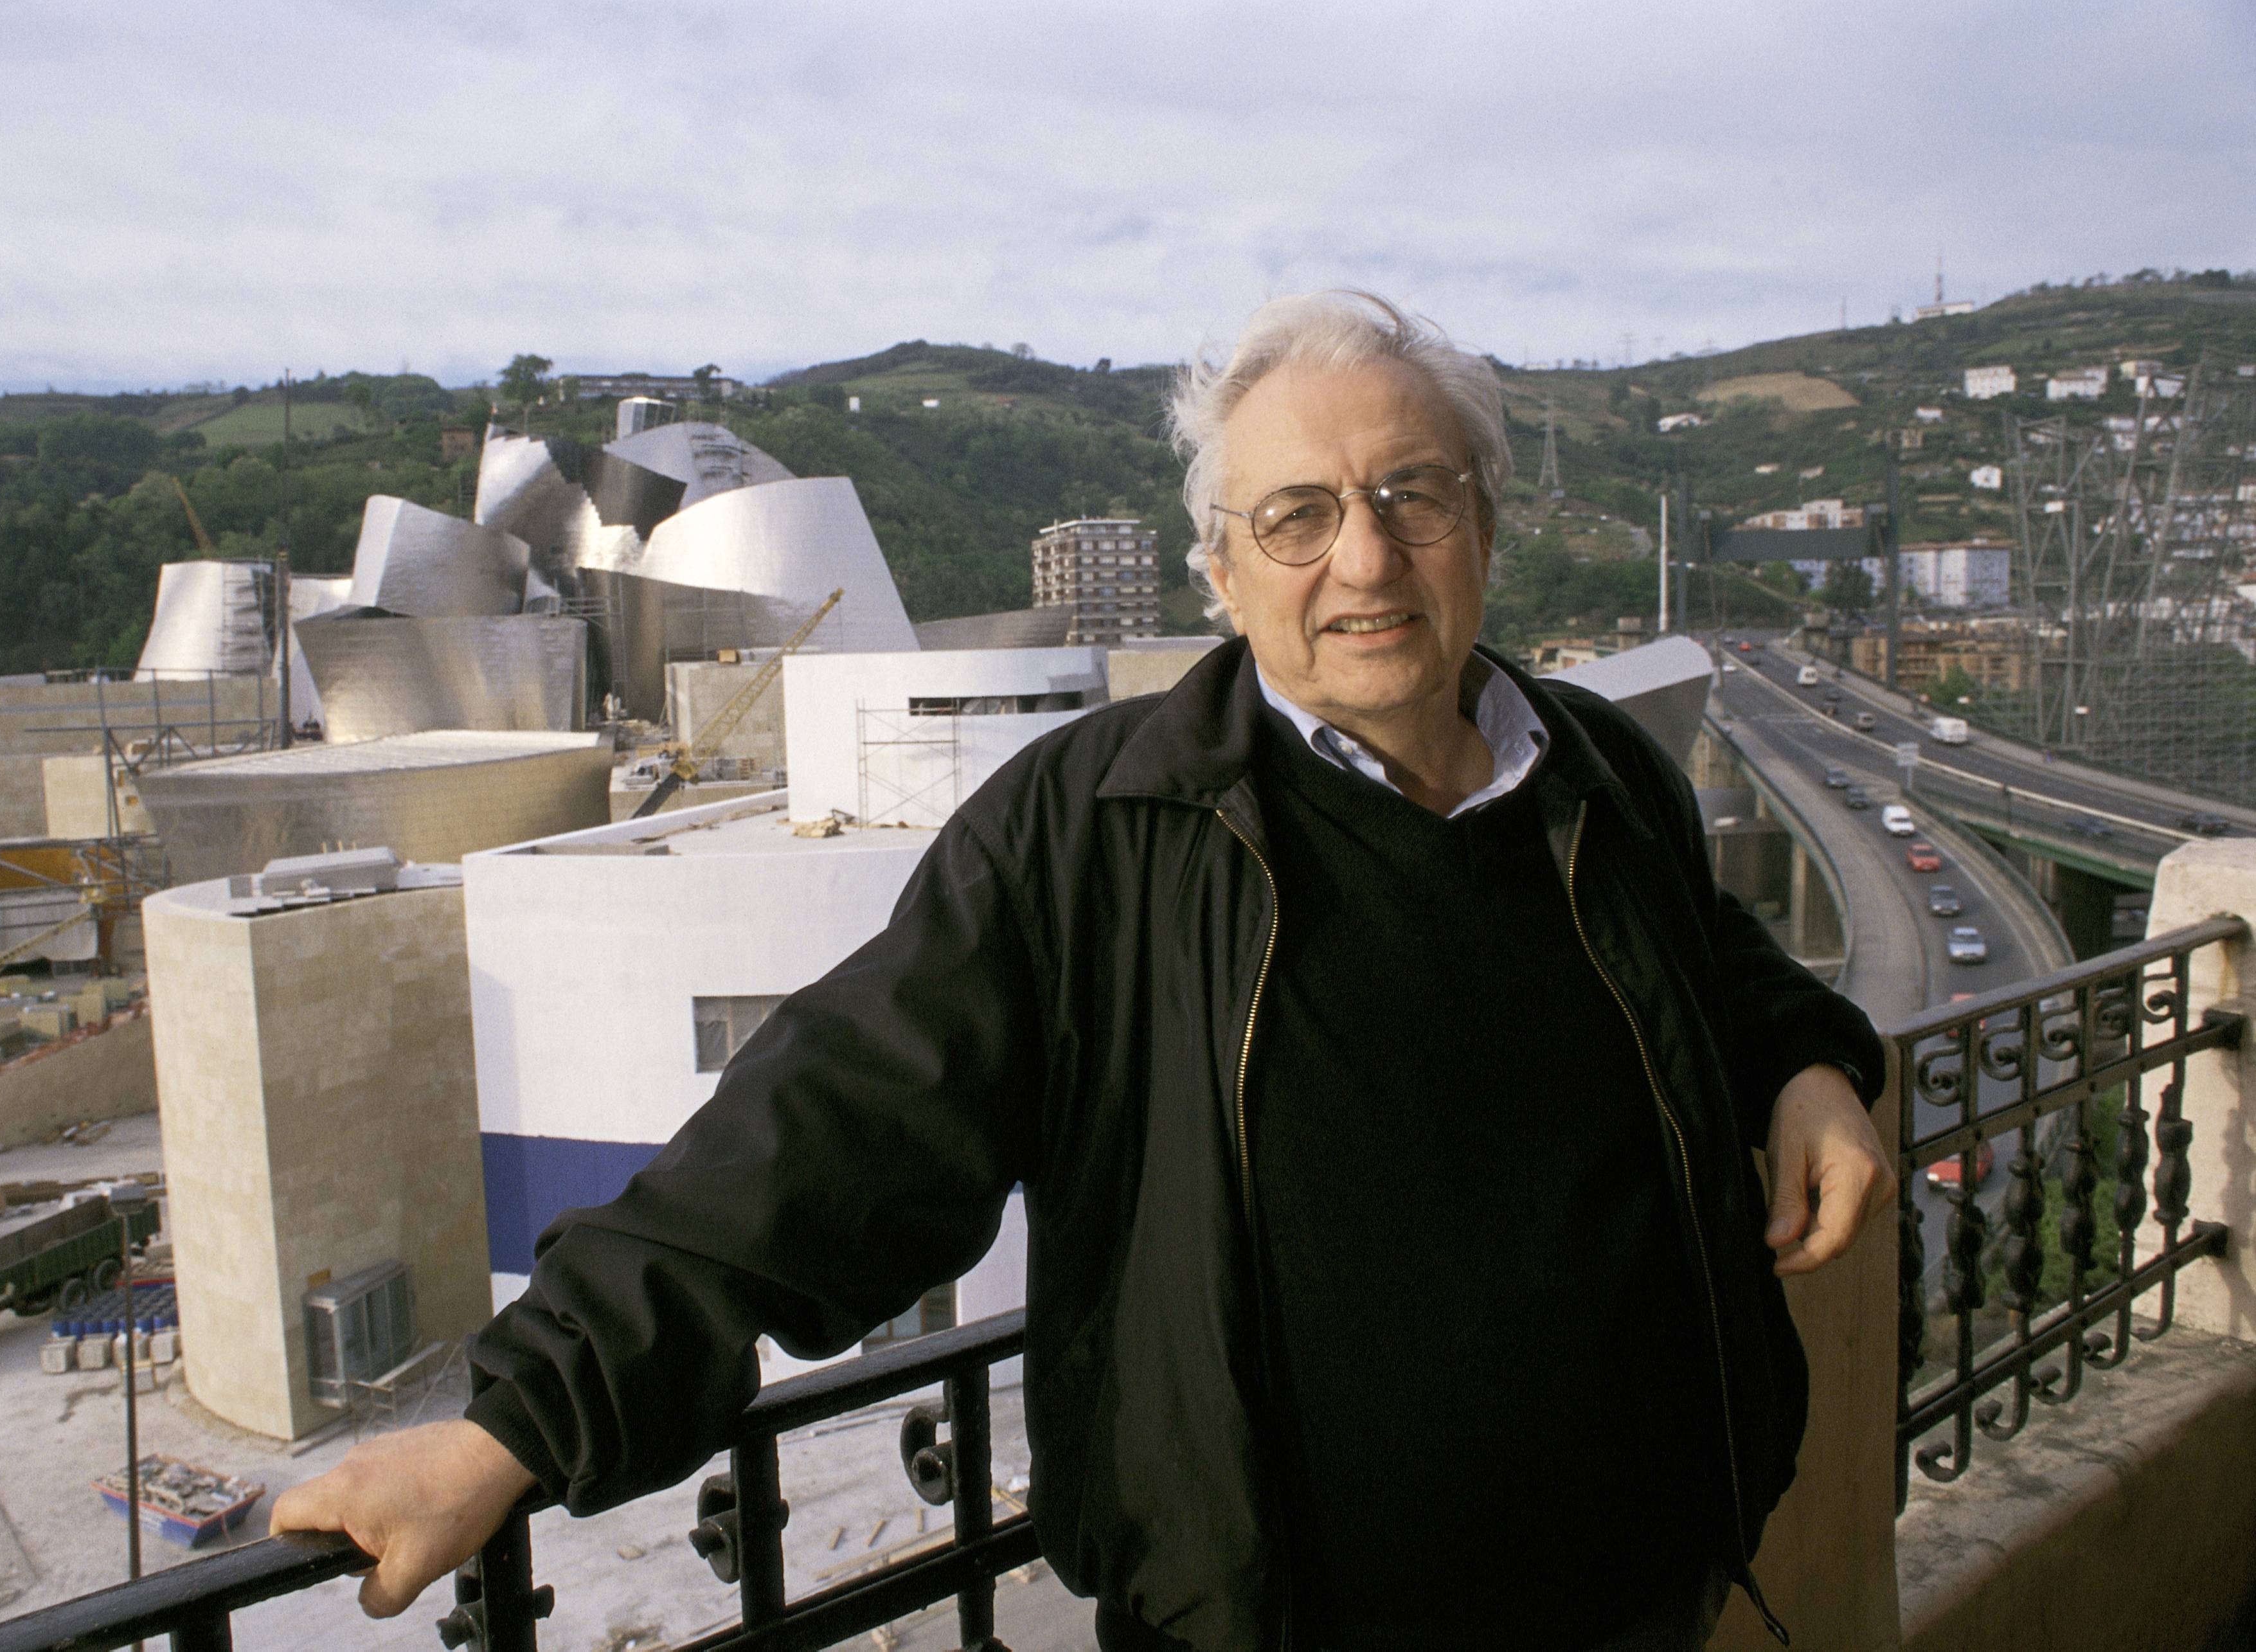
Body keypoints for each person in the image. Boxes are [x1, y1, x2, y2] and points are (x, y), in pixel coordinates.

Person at [275, 292, 1893, 1651]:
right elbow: (831, 1126)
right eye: (1301, 515)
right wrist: (517, 1423)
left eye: (1415, 493)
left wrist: (1803, 1059)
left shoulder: (1601, 769)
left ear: (1484, 522)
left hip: (1640, 1594)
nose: (1367, 559)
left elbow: (1709, 952)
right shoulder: (1096, 825)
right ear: (1225, 568)